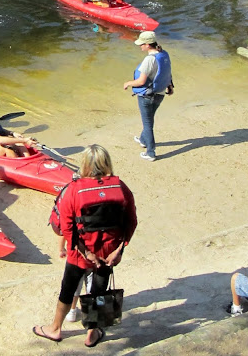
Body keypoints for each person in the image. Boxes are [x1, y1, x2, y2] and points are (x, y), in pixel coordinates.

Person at [33, 144, 137, 347]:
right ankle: (92, 332)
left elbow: (67, 226)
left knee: (68, 288)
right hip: (108, 252)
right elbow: (131, 221)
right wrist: (119, 249)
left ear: (84, 165)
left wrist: (86, 252)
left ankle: (55, 328)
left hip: (80, 253)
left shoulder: (73, 190)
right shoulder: (121, 188)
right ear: (107, 163)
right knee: (98, 289)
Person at [123, 31, 173, 162]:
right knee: (149, 120)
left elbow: (140, 81)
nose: (140, 46)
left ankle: (151, 152)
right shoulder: (163, 54)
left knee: (147, 123)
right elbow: (167, 72)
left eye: (141, 44)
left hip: (147, 96)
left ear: (148, 45)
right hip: (160, 94)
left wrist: (128, 83)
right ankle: (143, 140)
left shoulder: (149, 60)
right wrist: (170, 87)